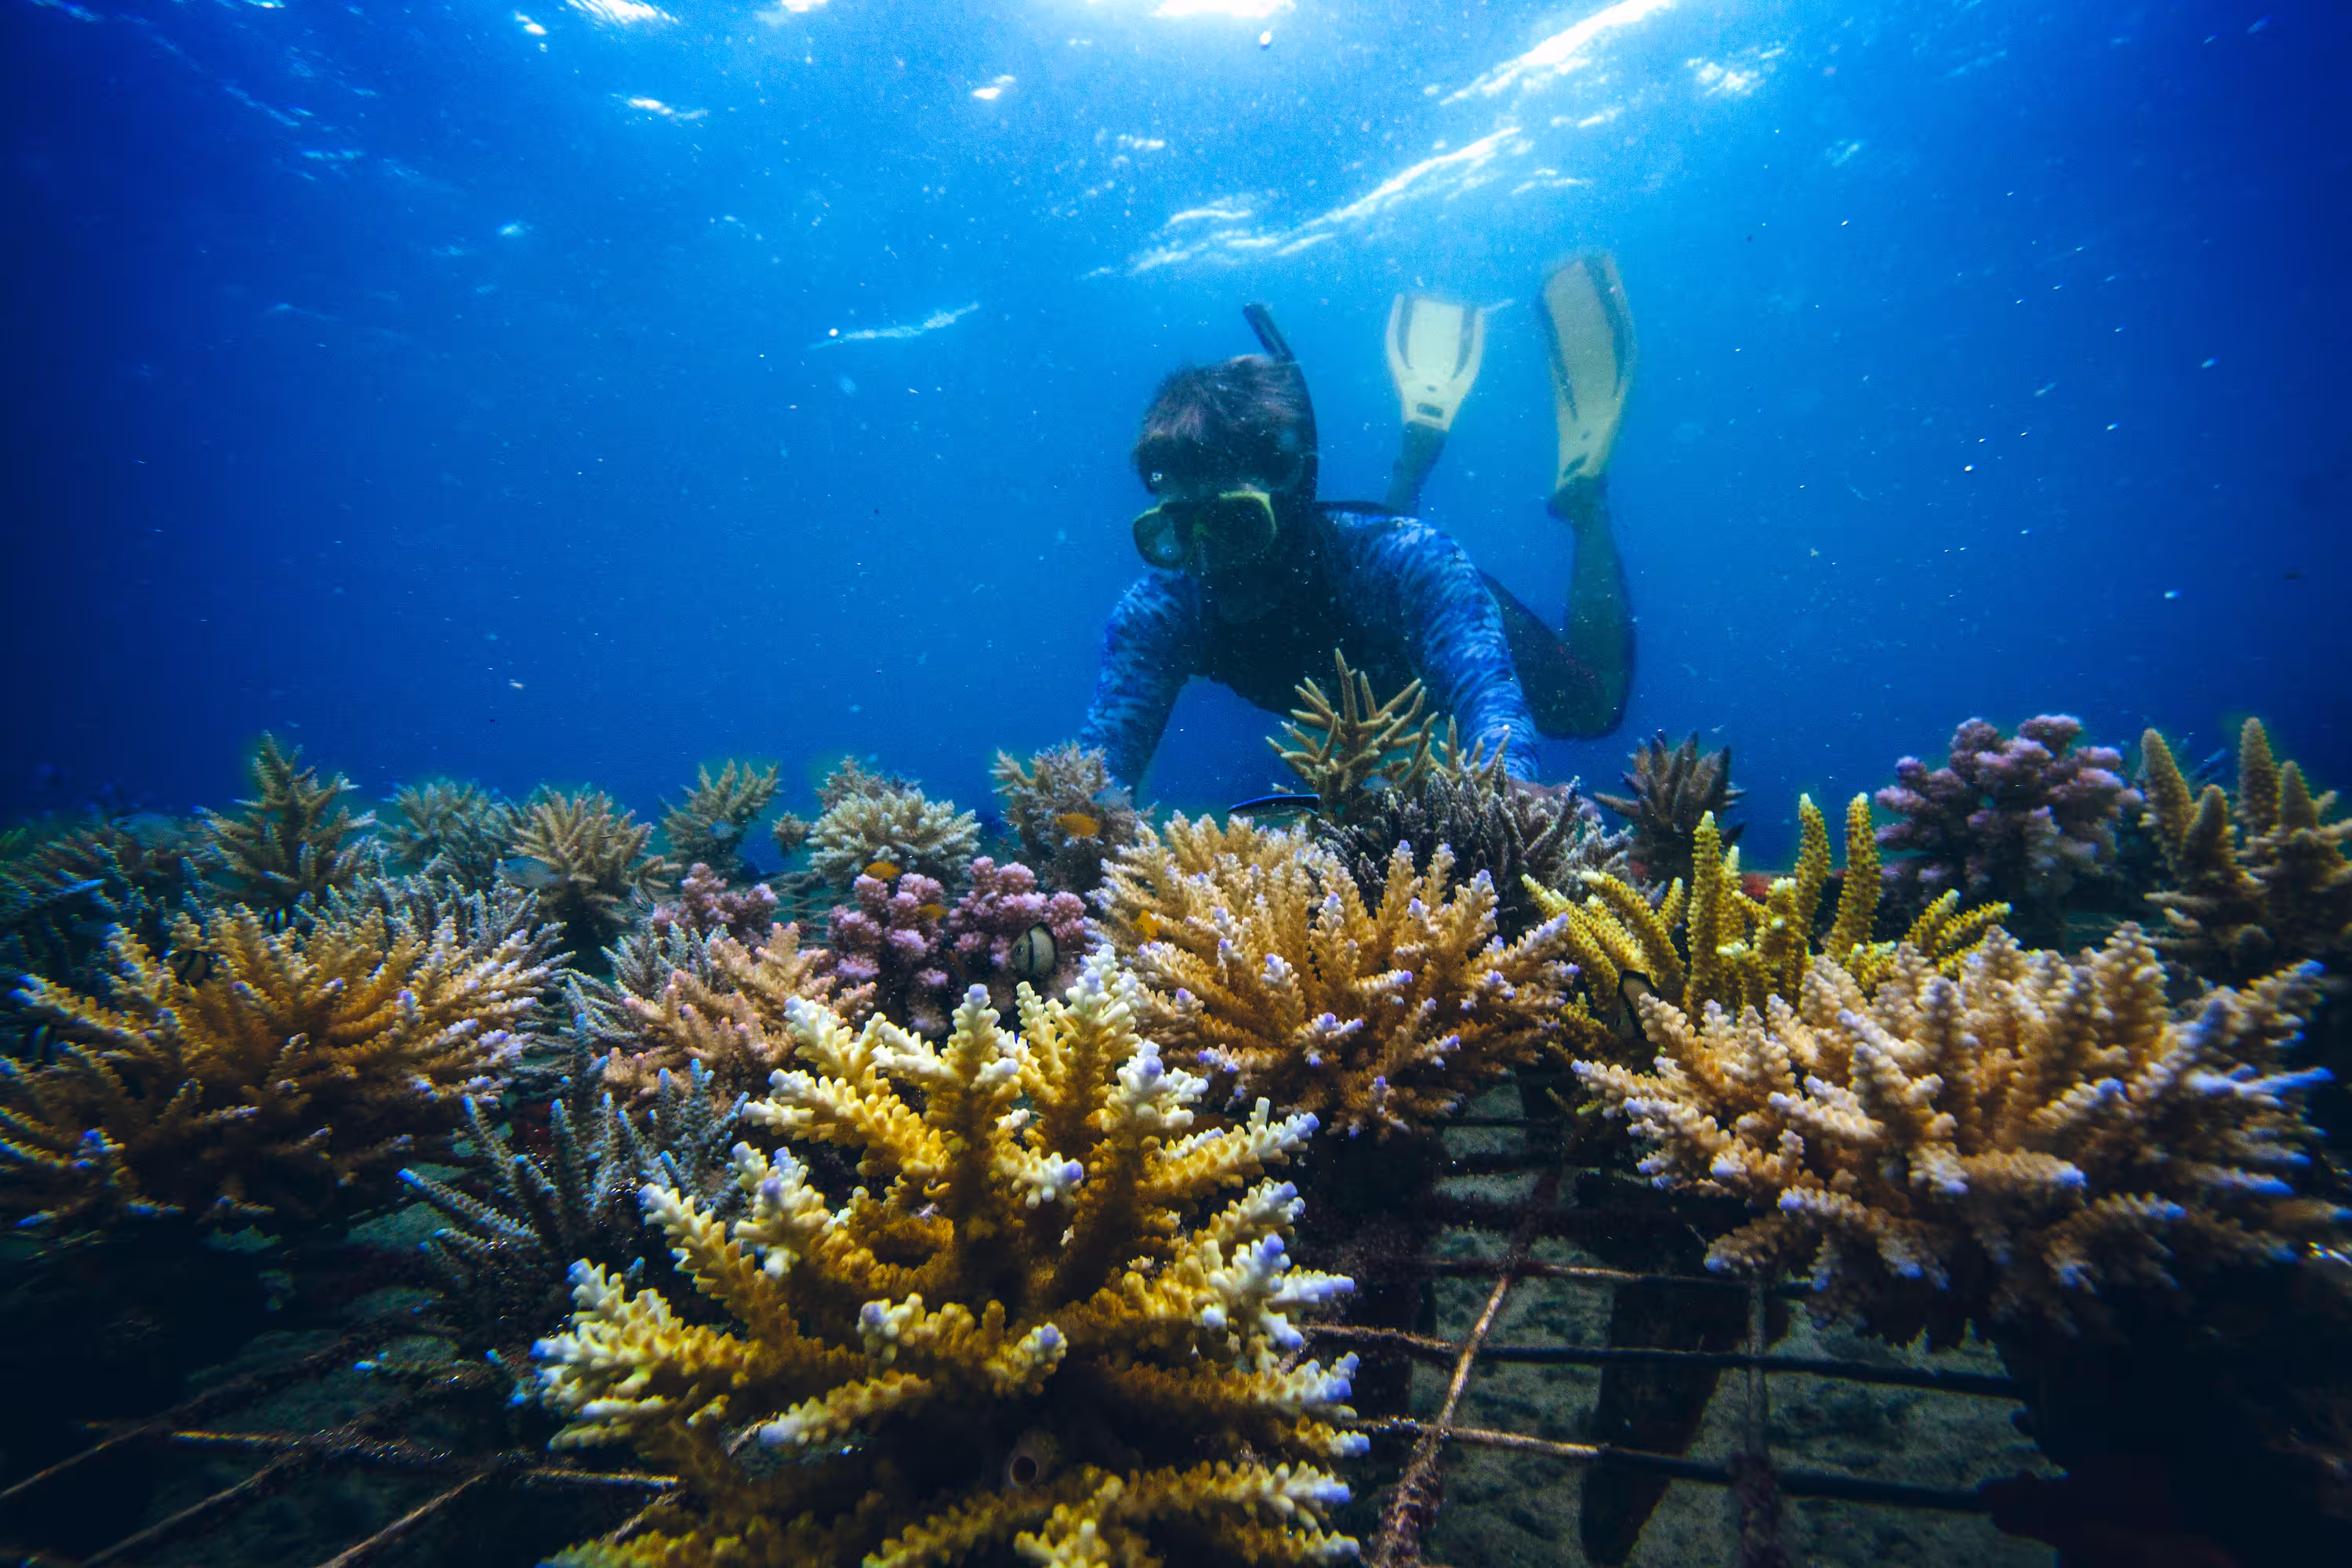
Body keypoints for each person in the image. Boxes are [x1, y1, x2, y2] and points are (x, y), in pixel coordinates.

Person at [1077, 256, 1639, 789]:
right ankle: (1413, 461)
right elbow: (1100, 773)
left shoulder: (1412, 563)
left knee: (1593, 708)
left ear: (1295, 490)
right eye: (1178, 533)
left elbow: (1491, 710)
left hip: (1393, 598)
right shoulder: (1162, 612)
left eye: (1237, 525)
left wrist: (1507, 794)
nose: (1213, 563)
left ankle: (1586, 505)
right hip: (1373, 622)